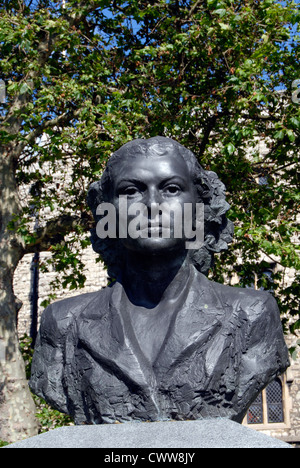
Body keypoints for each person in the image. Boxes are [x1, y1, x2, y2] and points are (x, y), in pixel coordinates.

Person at [30, 136, 289, 425]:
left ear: (199, 207)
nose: (152, 205)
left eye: (172, 189)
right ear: (107, 211)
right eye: (131, 191)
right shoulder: (64, 322)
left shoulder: (253, 314)